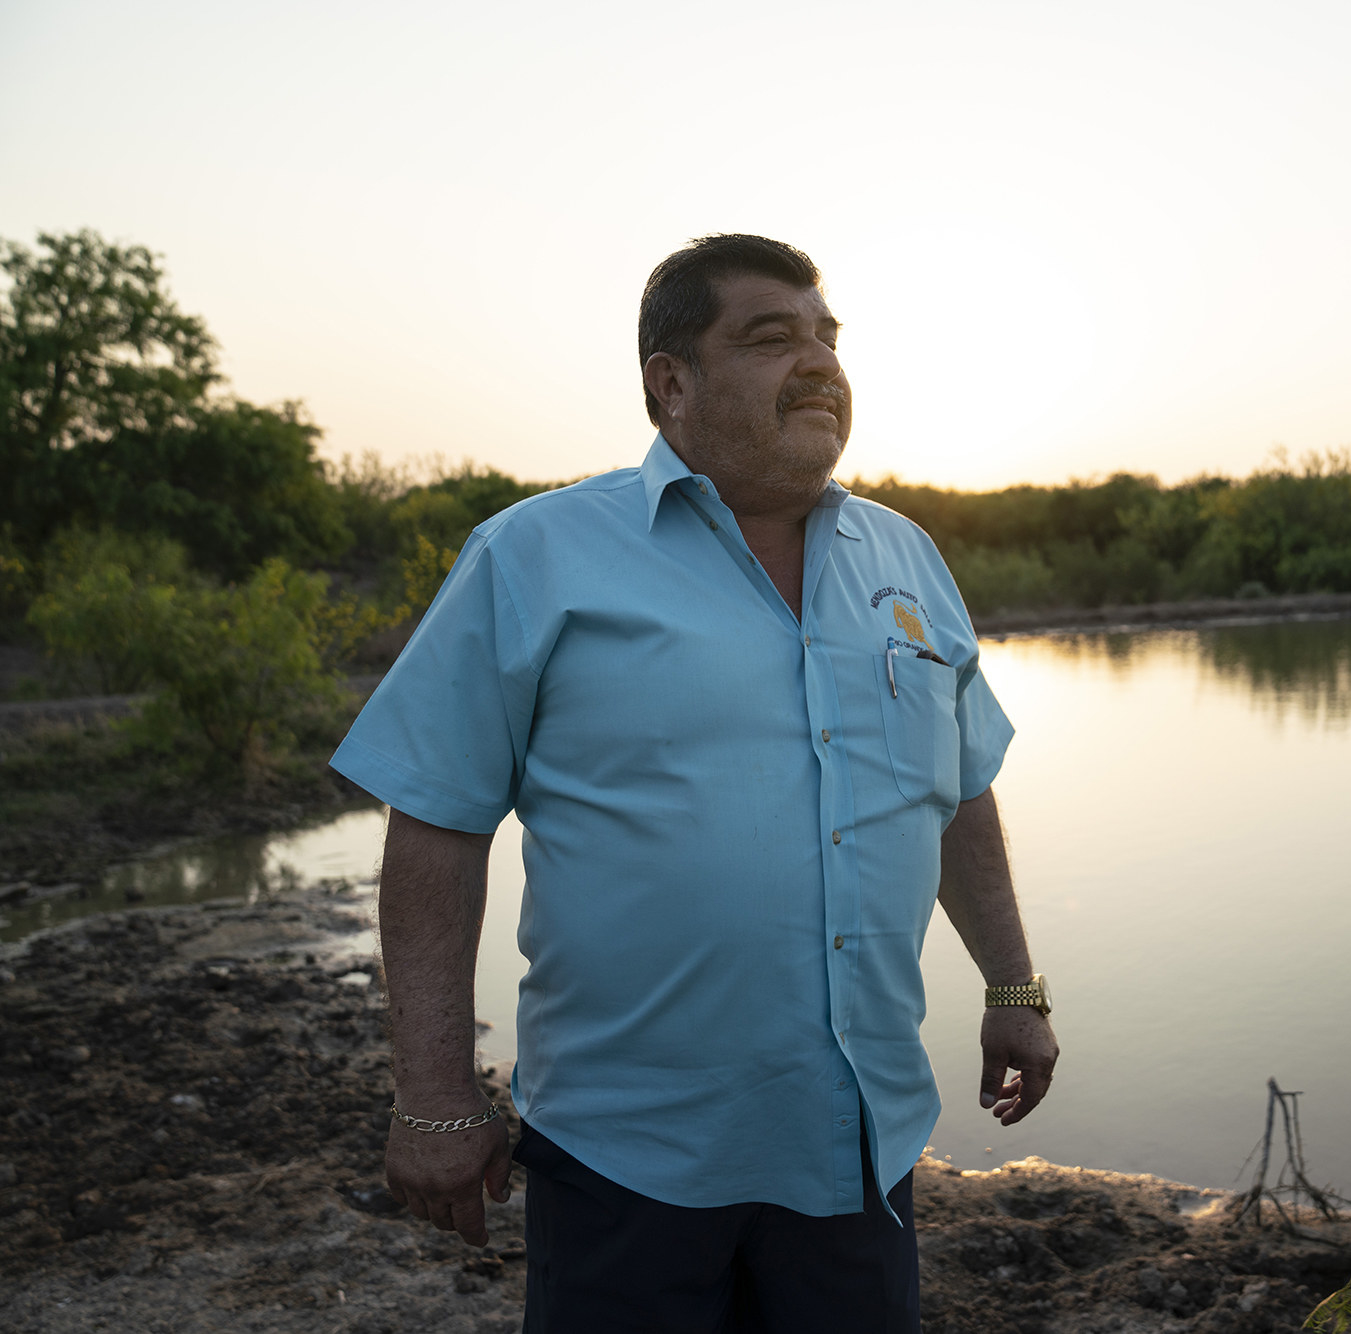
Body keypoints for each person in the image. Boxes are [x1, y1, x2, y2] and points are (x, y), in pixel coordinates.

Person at [329, 234, 1059, 1332]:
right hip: (629, 1158)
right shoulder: (535, 556)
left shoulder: (905, 558)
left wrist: (1011, 985)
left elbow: (956, 790)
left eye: (826, 338)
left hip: (859, 1149)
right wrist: (434, 1095)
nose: (817, 362)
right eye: (771, 339)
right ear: (670, 383)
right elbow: (435, 823)